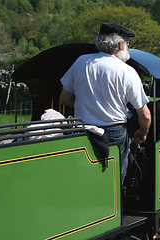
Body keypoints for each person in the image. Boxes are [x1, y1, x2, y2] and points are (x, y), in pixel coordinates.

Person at [59, 22, 151, 184]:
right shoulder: (126, 71)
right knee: (113, 181)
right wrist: (142, 133)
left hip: (83, 129)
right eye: (127, 43)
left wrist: (86, 106)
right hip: (114, 133)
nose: (127, 46)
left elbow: (65, 98)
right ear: (120, 45)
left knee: (85, 178)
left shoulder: (81, 62)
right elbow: (145, 115)